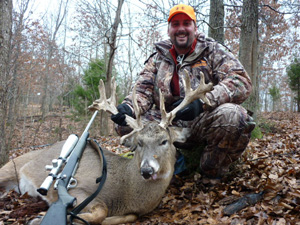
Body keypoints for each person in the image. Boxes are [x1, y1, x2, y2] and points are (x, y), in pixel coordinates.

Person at [111, 4, 255, 179]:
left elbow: (241, 81)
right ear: (169, 29)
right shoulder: (158, 57)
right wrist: (129, 108)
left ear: (195, 27)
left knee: (235, 116)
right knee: (125, 122)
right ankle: (172, 164)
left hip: (201, 121)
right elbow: (143, 89)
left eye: (186, 23)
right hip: (165, 125)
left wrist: (203, 102)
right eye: (175, 24)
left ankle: (209, 172)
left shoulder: (213, 51)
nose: (181, 29)